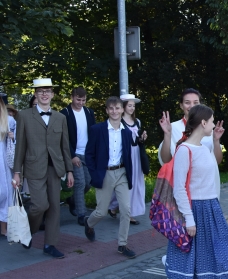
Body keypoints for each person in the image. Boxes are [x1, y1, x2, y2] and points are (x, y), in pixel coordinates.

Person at [163, 104, 228, 279]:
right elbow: (179, 188)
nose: (213, 123)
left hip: (212, 207)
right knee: (185, 253)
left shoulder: (204, 146)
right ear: (203, 123)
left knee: (218, 253)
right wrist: (189, 219)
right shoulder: (184, 150)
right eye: (211, 120)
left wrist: (217, 139)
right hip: (193, 210)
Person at [158, 88, 225, 279]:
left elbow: (216, 161)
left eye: (195, 101)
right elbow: (168, 159)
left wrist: (216, 140)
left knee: (200, 245)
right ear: (181, 105)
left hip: (208, 192)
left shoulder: (206, 129)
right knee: (189, 244)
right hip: (189, 196)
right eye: (187, 102)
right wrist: (167, 135)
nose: (191, 105)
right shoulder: (178, 130)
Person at [12, 78, 74, 258]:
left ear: (53, 94)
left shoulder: (61, 118)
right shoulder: (23, 115)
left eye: (47, 90)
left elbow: (65, 146)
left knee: (54, 207)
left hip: (55, 168)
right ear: (35, 94)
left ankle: (50, 244)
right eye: (40, 91)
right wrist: (17, 173)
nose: (44, 94)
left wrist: (69, 170)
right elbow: (20, 146)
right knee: (39, 205)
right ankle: (27, 232)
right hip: (33, 168)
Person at [83, 96, 136, 258]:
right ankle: (89, 223)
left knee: (126, 210)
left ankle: (122, 244)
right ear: (107, 110)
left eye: (117, 108)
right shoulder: (97, 130)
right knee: (101, 212)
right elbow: (89, 154)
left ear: (122, 109)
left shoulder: (126, 132)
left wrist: (129, 174)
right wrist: (95, 173)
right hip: (104, 173)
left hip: (121, 173)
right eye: (111, 108)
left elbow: (127, 155)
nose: (114, 111)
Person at [108, 94, 147, 225]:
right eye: (129, 105)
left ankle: (119, 208)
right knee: (125, 182)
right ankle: (124, 211)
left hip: (136, 155)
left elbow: (137, 140)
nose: (132, 108)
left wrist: (142, 139)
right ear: (124, 107)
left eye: (133, 106)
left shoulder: (138, 121)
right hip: (125, 156)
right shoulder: (119, 122)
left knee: (136, 183)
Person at [60, 87, 96, 226]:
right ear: (72, 97)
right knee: (80, 183)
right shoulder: (65, 113)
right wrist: (71, 155)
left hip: (87, 154)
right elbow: (64, 138)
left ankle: (72, 200)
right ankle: (82, 215)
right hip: (74, 155)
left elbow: (93, 133)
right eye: (78, 99)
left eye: (83, 100)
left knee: (88, 183)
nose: (81, 102)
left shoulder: (88, 112)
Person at [0, 99, 16, 237]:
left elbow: (18, 139)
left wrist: (12, 137)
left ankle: (4, 227)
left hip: (3, 159)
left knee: (5, 192)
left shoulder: (9, 120)